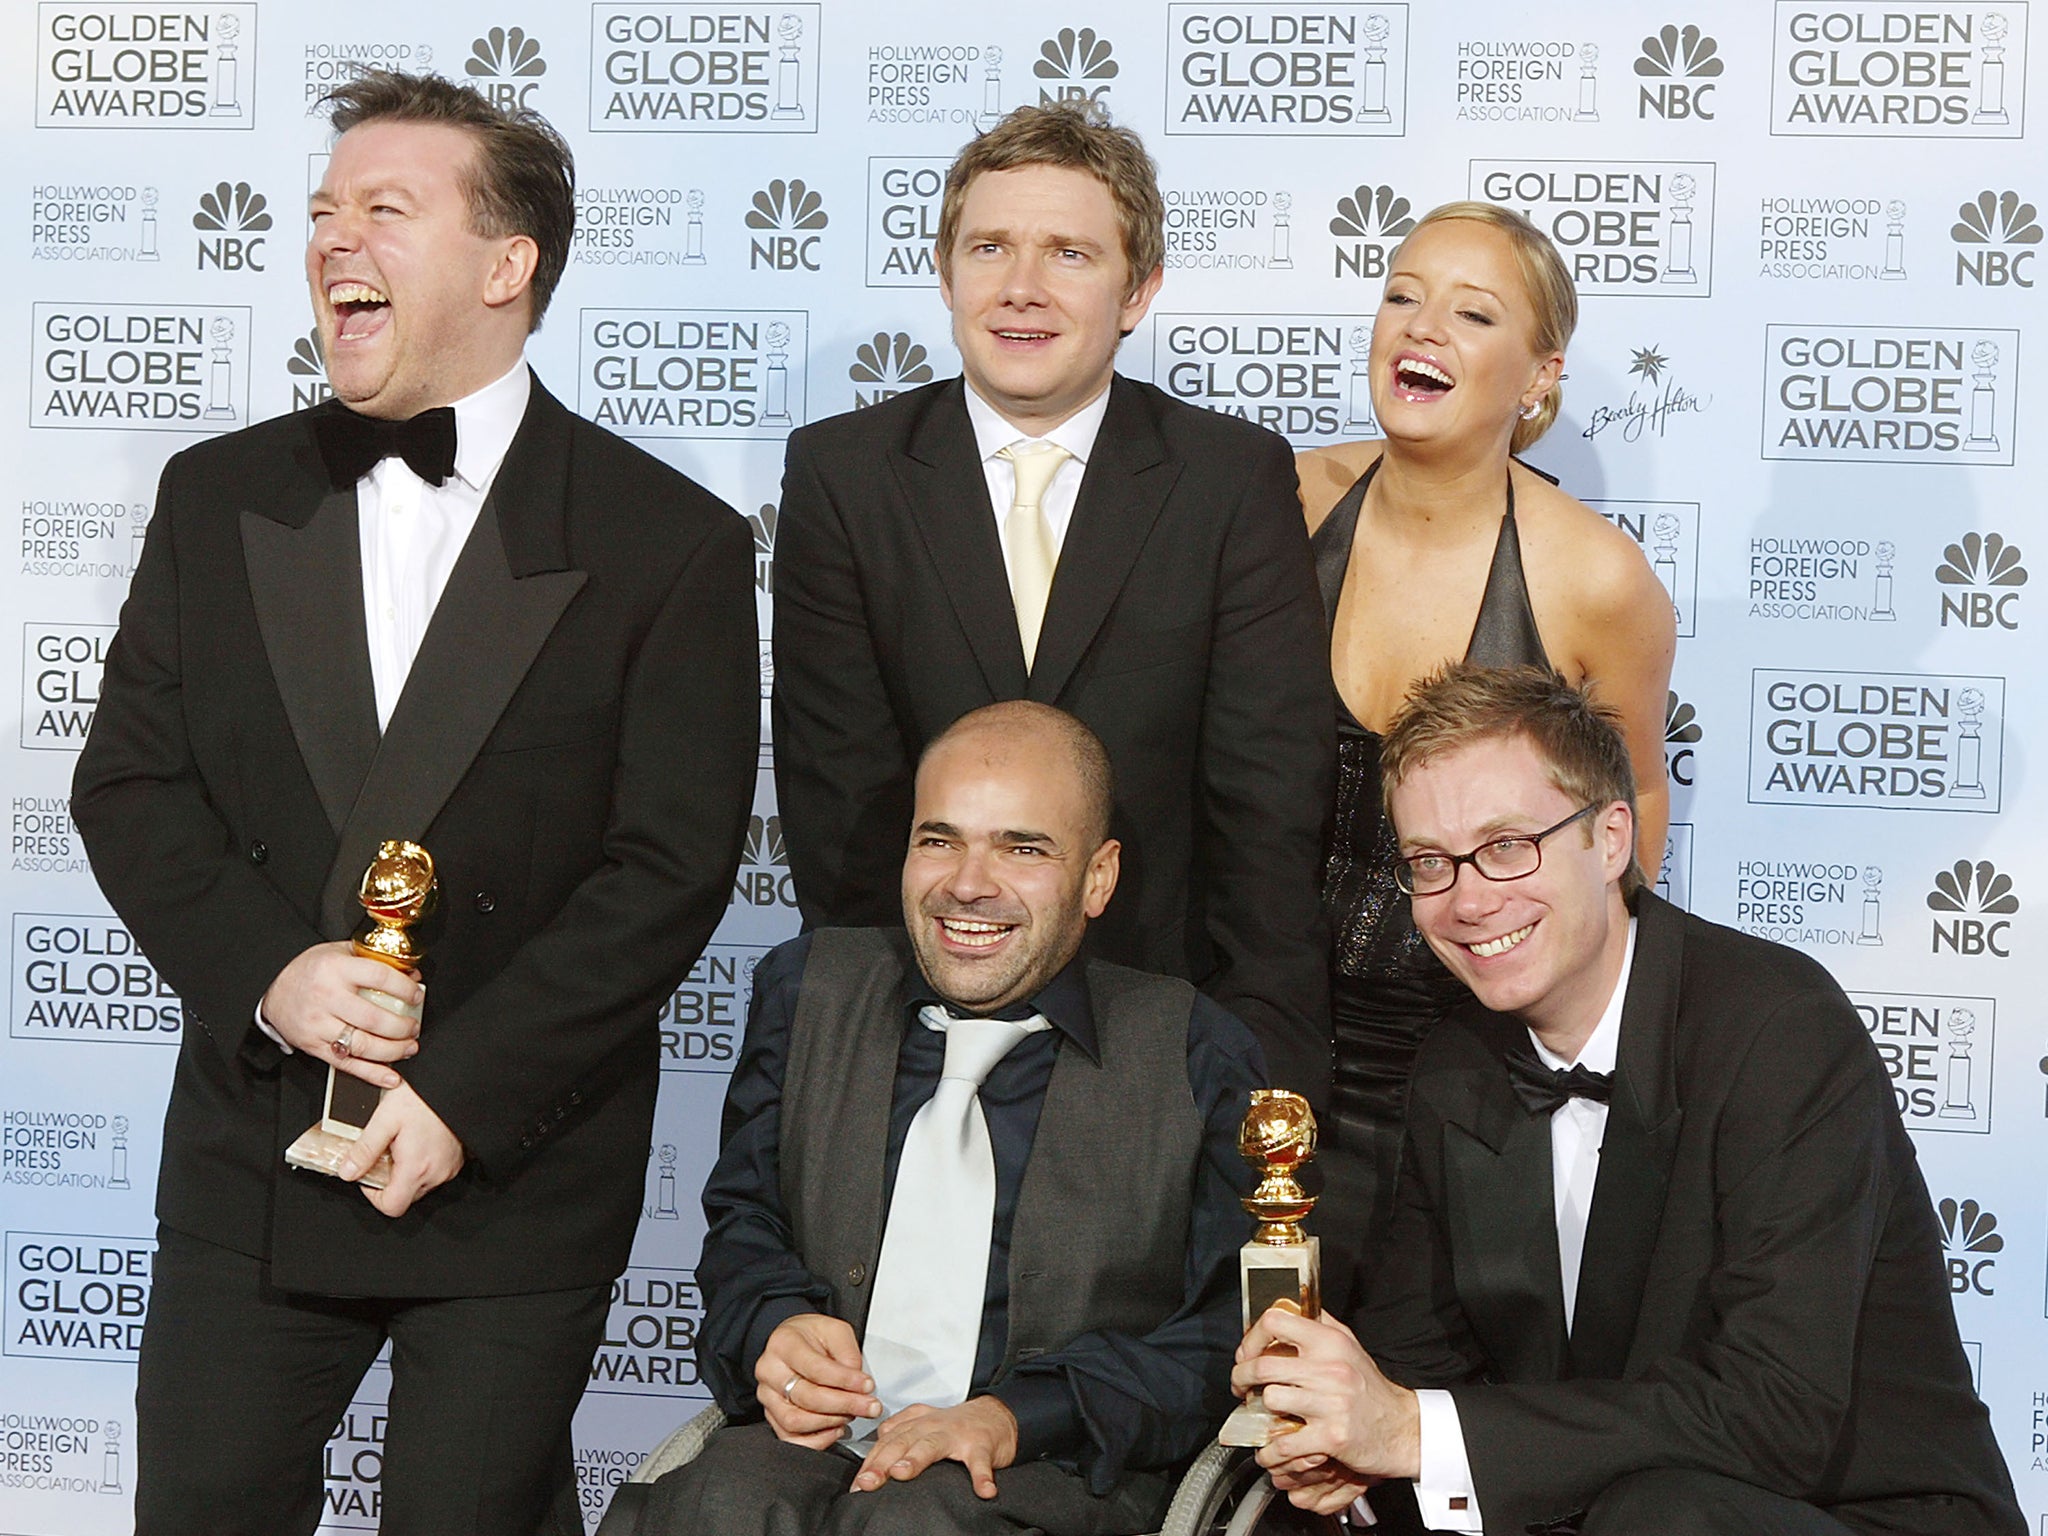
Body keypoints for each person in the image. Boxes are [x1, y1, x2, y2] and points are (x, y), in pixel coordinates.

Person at [69, 71, 758, 1535]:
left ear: (507, 268)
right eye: (322, 214)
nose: (333, 243)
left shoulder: (670, 543)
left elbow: (668, 867)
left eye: (386, 210)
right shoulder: (217, 496)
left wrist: (463, 1096)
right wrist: (274, 971)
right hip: (252, 1158)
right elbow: (128, 782)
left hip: (509, 1167)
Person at [1232, 665, 2024, 1536]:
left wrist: (1417, 1430)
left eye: (1506, 846)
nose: (1467, 898)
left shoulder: (1780, 1031)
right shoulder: (1457, 1061)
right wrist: (1338, 1420)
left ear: (1612, 840)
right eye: (1430, 863)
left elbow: (1778, 1415)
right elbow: (1421, 1349)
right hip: (1607, 1501)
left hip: (1856, 1513)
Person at [771, 102, 1334, 1106]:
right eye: (989, 247)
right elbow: (841, 813)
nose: (1020, 288)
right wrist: (875, 1066)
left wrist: (1264, 1087)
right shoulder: (842, 476)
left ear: (1138, 289)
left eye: (1069, 253)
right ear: (944, 274)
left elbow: (1266, 814)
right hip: (913, 1034)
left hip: (1159, 1035)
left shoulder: (1228, 480)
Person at [610, 702, 1263, 1536]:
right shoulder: (805, 991)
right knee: (721, 1503)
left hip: (1055, 1466)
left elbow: (1228, 1334)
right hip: (808, 1445)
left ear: (1098, 878)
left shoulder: (1195, 1050)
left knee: (917, 1525)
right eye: (939, 839)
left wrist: (1021, 1415)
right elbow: (744, 1226)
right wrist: (774, 1326)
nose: (967, 882)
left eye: (1023, 848)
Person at [1295, 202, 1677, 1308]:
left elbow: (1631, 805)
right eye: (1401, 295)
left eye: (1472, 312)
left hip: (1466, 1051)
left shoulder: (1593, 580)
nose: (1422, 328)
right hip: (1265, 1036)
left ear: (1537, 378)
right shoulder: (1283, 501)